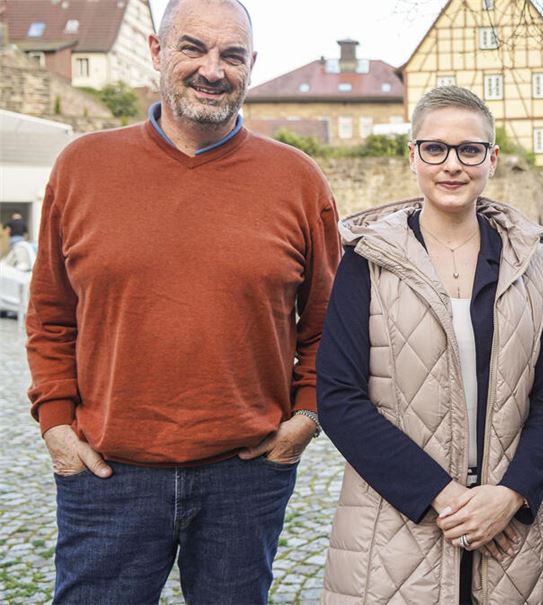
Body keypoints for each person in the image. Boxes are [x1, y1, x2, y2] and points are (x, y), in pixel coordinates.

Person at [25, 0, 340, 602]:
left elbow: (331, 322)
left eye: (232, 55)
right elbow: (49, 314)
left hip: (245, 475)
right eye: (193, 48)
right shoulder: (82, 167)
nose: (213, 69)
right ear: (156, 51)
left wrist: (306, 418)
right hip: (107, 473)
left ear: (251, 66)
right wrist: (56, 424)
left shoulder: (298, 181)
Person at [317, 86, 543, 604]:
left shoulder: (530, 265)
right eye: (434, 148)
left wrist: (511, 495)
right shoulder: (366, 262)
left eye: (470, 150)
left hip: (509, 534)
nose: (451, 165)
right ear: (412, 155)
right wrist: (447, 497)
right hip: (391, 535)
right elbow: (340, 398)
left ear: (492, 159)